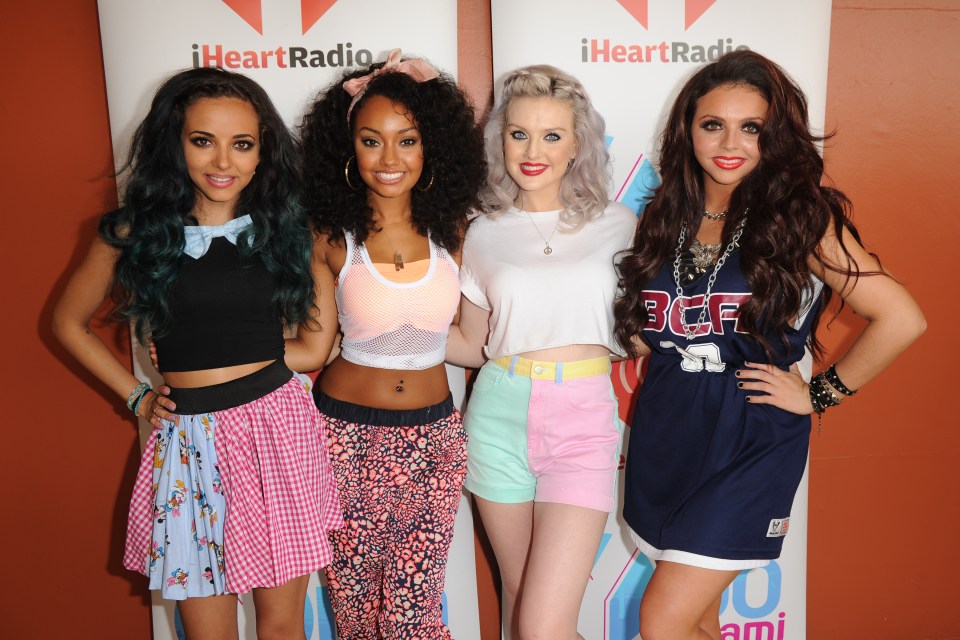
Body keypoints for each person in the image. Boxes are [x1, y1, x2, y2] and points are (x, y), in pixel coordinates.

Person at [613, 50, 926, 640]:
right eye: (713, 125)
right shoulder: (664, 215)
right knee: (697, 621)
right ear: (689, 130)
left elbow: (900, 318)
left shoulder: (798, 219)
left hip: (749, 439)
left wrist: (821, 393)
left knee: (661, 621)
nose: (730, 142)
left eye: (750, 127)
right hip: (667, 430)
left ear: (773, 136)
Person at [52, 67, 342, 640]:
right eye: (202, 140)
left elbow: (314, 346)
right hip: (186, 443)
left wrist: (265, 369)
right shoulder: (134, 233)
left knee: (281, 626)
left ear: (263, 153)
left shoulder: (287, 231)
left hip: (276, 435)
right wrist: (136, 395)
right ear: (174, 142)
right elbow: (67, 322)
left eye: (242, 144)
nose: (223, 161)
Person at [297, 49, 486, 638]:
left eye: (407, 140)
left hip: (433, 440)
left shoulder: (458, 231)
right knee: (355, 615)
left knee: (411, 615)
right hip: (342, 438)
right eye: (370, 140)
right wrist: (209, 357)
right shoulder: (329, 236)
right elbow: (313, 345)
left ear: (432, 146)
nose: (389, 158)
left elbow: (476, 339)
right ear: (347, 148)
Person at [445, 65, 638, 639]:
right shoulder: (479, 231)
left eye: (552, 135)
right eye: (519, 133)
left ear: (577, 143)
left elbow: (637, 333)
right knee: (519, 603)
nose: (533, 150)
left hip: (582, 419)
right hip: (497, 416)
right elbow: (473, 345)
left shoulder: (621, 226)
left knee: (544, 626)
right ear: (498, 139)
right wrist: (377, 338)